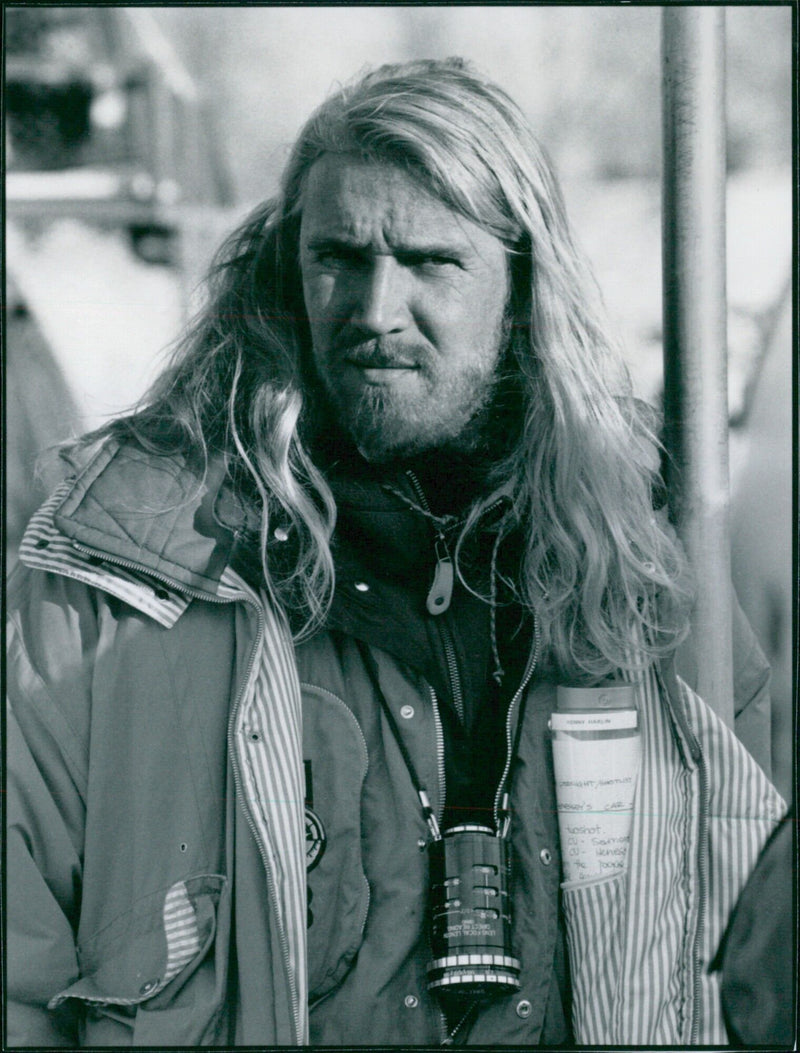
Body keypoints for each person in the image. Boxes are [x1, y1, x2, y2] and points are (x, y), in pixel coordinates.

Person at [6, 58, 786, 1047]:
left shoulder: (643, 574)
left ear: (520, 286)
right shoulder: (125, 572)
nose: (374, 310)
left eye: (427, 262)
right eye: (338, 257)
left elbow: (741, 956)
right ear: (285, 269)